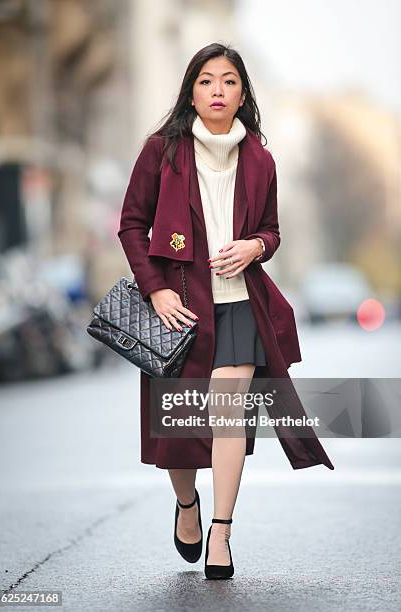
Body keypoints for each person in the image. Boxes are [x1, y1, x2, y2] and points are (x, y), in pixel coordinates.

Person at [118, 42, 334, 581]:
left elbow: (272, 231)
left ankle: (221, 530)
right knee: (181, 432)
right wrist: (155, 291)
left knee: (227, 417)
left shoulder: (260, 158)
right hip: (179, 306)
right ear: (191, 91)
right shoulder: (161, 151)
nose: (218, 90)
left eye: (229, 81)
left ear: (242, 93)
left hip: (239, 304)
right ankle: (187, 504)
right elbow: (131, 224)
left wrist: (254, 248)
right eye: (207, 80)